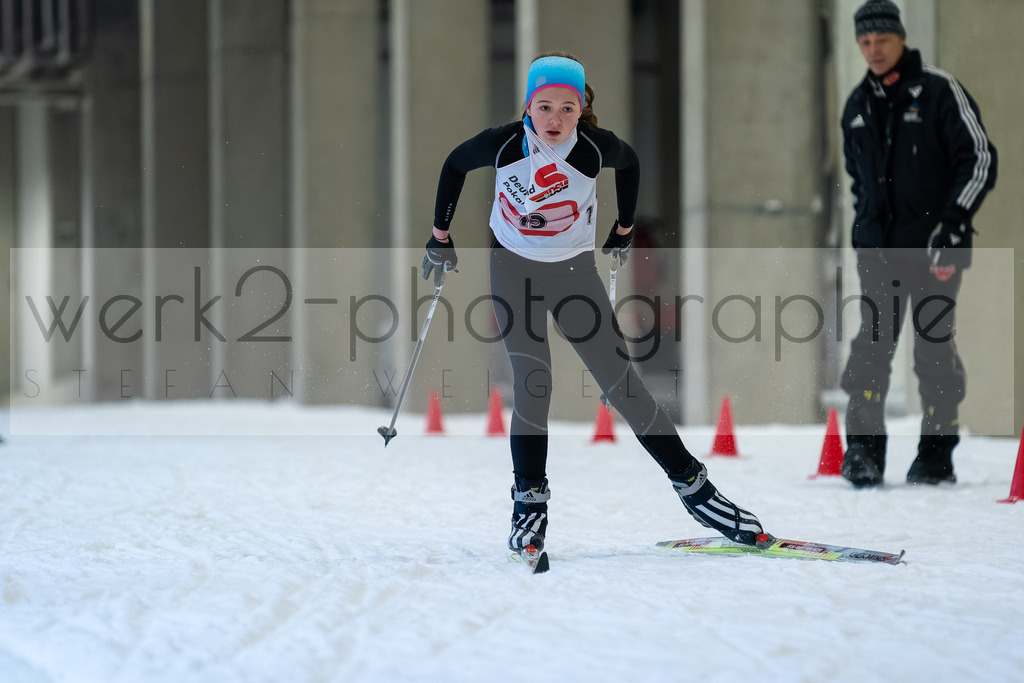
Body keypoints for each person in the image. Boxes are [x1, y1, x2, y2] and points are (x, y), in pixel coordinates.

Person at [421, 53, 765, 556]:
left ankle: (698, 491)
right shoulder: (505, 144)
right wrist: (439, 234)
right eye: (544, 107)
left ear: (581, 109)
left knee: (625, 386)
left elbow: (632, 164)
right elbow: (454, 163)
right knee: (534, 384)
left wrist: (625, 228)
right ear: (528, 107)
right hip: (512, 268)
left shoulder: (594, 149)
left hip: (572, 272)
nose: (555, 119)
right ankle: (528, 505)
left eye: (567, 107)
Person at [840, 1, 997, 487]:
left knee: (932, 350)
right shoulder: (857, 105)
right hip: (878, 251)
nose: (873, 50)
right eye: (864, 42)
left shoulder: (939, 91)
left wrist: (952, 224)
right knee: (870, 348)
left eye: (881, 40)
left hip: (935, 250)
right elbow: (858, 181)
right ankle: (862, 455)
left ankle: (935, 456)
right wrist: (865, 230)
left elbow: (980, 160)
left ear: (900, 38)